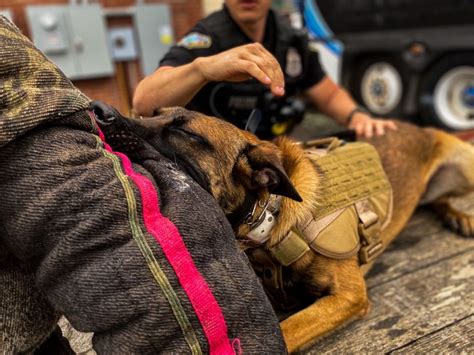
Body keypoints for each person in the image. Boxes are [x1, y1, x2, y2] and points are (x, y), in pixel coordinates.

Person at [0, 15, 286, 353]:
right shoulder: (210, 33)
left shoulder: (286, 35)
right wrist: (202, 69)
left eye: (178, 129)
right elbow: (145, 100)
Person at [133, 0, 397, 139]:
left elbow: (327, 95)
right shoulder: (205, 39)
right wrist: (202, 69)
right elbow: (143, 102)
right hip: (216, 163)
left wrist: (357, 117)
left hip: (274, 153)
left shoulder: (291, 39)